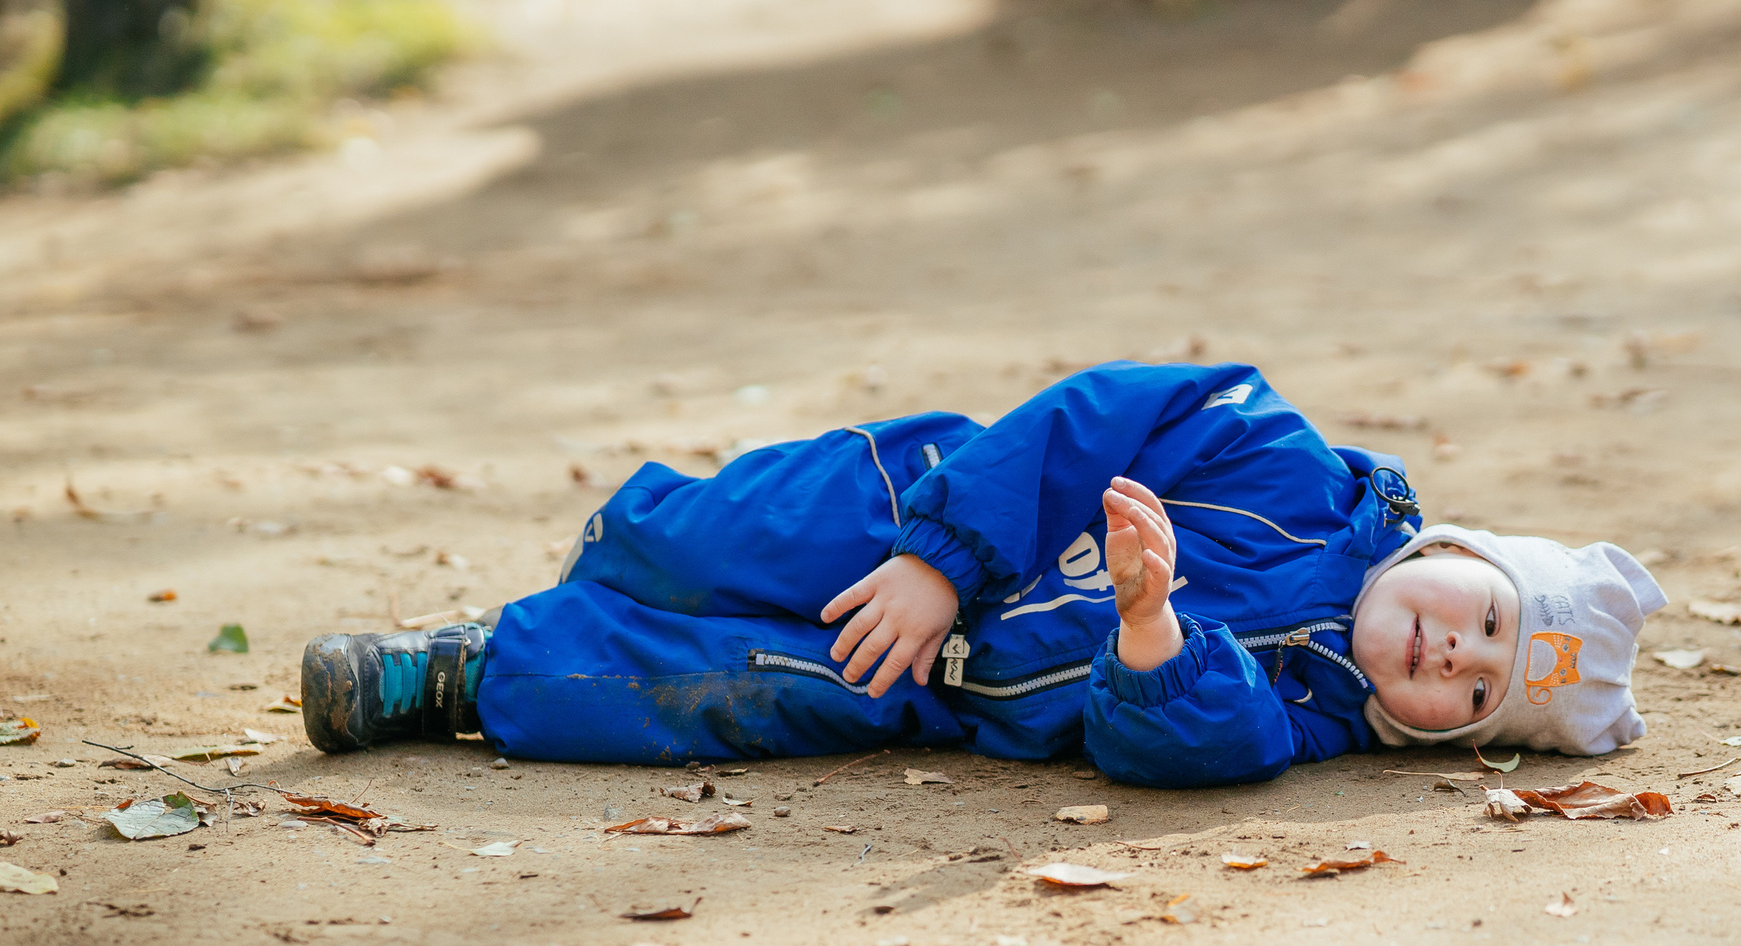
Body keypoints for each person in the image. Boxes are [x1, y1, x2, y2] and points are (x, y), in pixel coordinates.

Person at [298, 364, 1664, 789]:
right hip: (921, 516)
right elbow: (1097, 410)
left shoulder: (1301, 716)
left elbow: (1197, 743)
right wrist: (940, 560)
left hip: (929, 687)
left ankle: (464, 668)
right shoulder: (1281, 458)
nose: (1453, 653)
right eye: (1484, 614)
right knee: (706, 538)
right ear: (1457, 548)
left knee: (695, 690)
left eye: (1477, 691)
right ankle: (613, 562)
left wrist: (1153, 627)